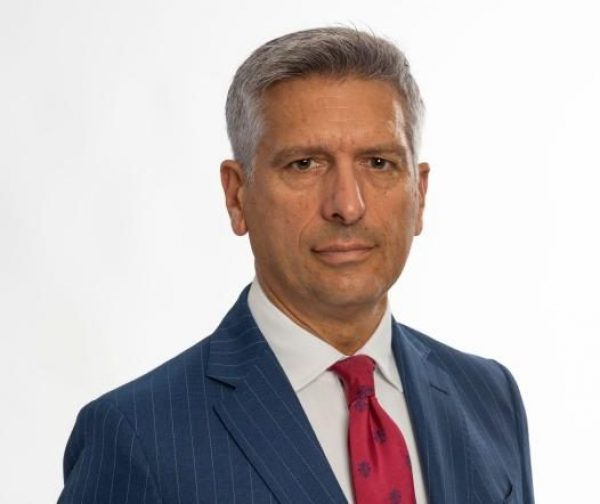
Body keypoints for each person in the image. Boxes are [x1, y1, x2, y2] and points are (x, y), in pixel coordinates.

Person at [58, 27, 534, 504]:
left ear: (420, 193)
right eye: (305, 164)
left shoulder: (489, 397)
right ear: (237, 196)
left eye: (378, 162)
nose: (347, 205)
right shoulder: (137, 435)